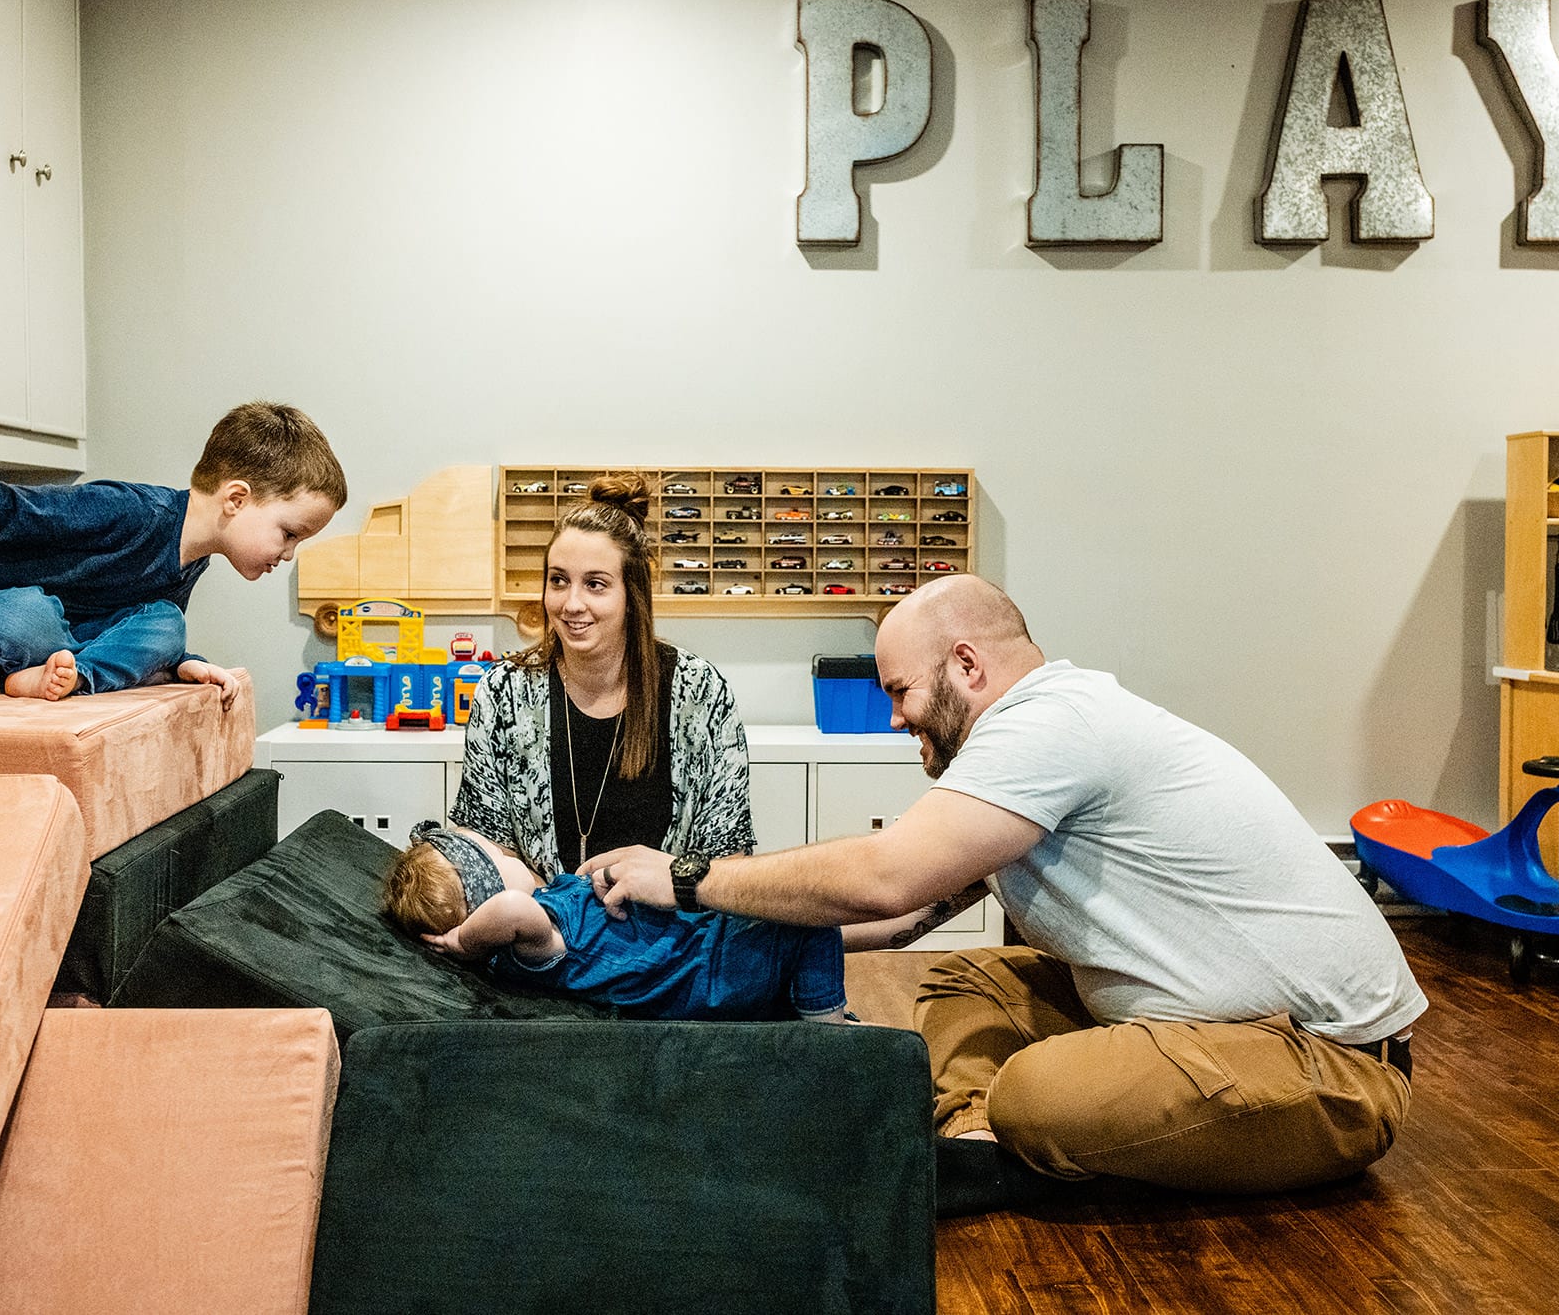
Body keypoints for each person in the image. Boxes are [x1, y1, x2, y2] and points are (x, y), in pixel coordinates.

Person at [585, 574, 1426, 1208]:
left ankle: (1008, 1125)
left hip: (1328, 1063)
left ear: (967, 665)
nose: (893, 719)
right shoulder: (1025, 742)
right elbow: (910, 917)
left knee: (1035, 1094)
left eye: (900, 692)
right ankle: (982, 1139)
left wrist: (688, 879)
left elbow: (889, 879)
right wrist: (707, 946)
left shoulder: (1052, 724)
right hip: (1201, 1020)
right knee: (965, 978)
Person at [0, 401, 345, 707]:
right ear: (237, 499)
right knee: (30, 617)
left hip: (61, 649)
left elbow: (122, 623)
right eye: (289, 533)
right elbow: (3, 507)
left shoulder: (193, 556)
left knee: (166, 624)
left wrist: (183, 663)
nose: (290, 555)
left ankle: (65, 678)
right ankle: (46, 668)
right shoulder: (129, 512)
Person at [447, 472, 755, 882]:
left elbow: (728, 860)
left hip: (669, 936)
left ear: (633, 593)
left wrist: (671, 884)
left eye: (595, 584)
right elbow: (484, 850)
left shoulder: (699, 693)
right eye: (558, 581)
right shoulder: (503, 693)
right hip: (541, 930)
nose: (572, 604)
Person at [385, 821, 848, 1022]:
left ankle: (898, 921)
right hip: (705, 975)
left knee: (805, 914)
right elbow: (511, 910)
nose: (506, 850)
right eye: (496, 855)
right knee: (809, 917)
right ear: (486, 893)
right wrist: (466, 943)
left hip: (700, 947)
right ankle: (829, 1032)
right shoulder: (528, 942)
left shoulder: (551, 905)